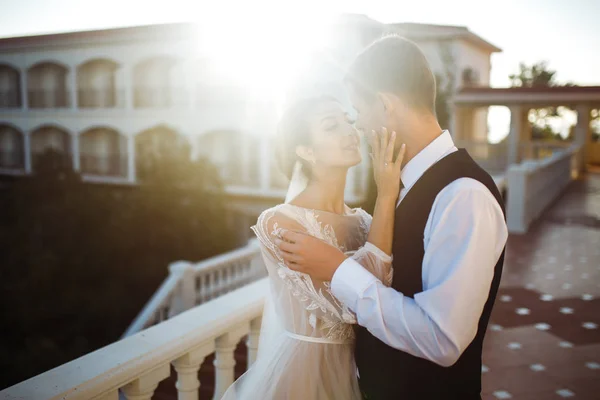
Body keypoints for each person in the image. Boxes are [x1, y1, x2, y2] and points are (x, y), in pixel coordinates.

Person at [276, 35, 508, 399]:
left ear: (384, 105)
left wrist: (338, 270)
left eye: (359, 112)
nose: (360, 129)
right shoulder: (410, 185)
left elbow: (442, 339)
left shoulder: (462, 194)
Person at [220, 95, 405, 399]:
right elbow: (351, 307)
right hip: (302, 378)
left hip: (363, 375)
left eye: (348, 121)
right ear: (305, 150)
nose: (349, 131)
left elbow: (379, 294)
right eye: (331, 126)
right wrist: (386, 194)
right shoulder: (280, 223)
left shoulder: (366, 222)